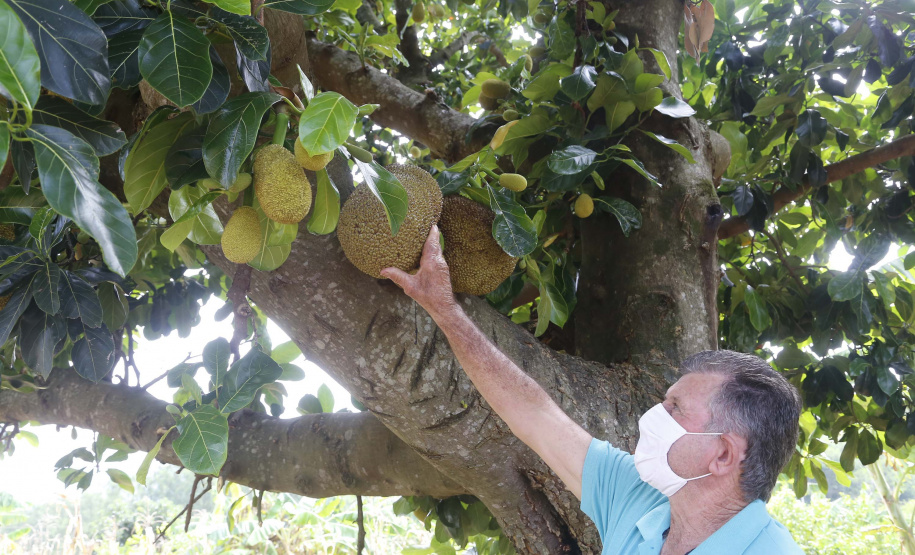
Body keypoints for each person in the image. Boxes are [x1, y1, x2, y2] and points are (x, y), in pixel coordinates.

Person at [382, 225, 805, 555]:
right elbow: (535, 415)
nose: (654, 415)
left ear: (724, 455)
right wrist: (445, 311)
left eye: (675, 408)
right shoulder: (639, 501)